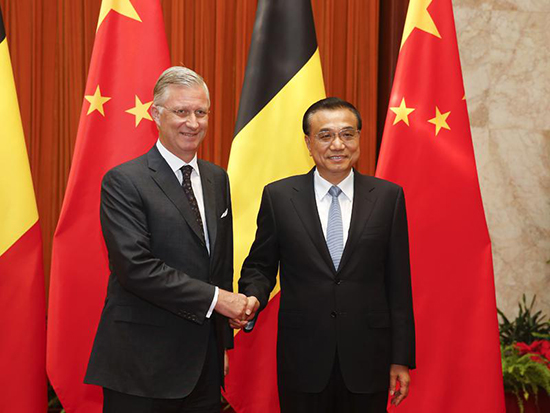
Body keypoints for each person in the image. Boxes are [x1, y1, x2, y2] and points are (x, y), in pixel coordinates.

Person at [85, 66, 253, 413]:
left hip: (203, 366)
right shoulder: (124, 181)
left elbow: (218, 265)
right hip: (141, 366)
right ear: (156, 114)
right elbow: (136, 268)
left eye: (201, 112)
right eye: (181, 111)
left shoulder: (217, 179)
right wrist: (219, 300)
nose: (193, 122)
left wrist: (221, 345)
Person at [232, 97, 416, 412]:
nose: (338, 145)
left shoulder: (388, 197)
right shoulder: (280, 197)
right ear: (308, 143)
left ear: (359, 138)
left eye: (347, 134)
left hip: (368, 357)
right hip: (302, 357)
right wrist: (252, 296)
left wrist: (401, 358)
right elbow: (260, 266)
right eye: (326, 135)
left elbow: (398, 284)